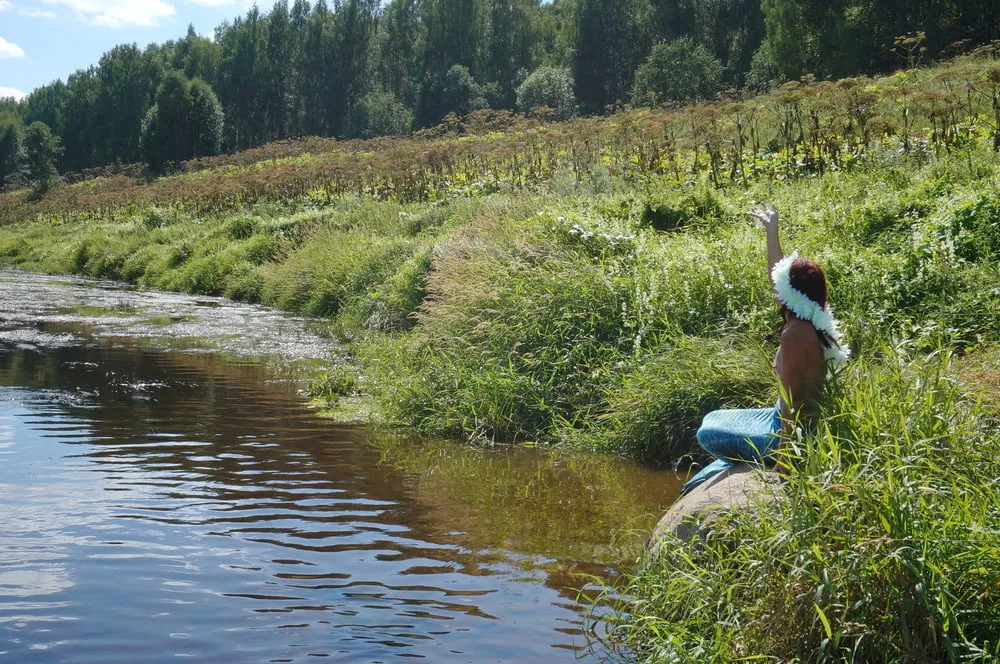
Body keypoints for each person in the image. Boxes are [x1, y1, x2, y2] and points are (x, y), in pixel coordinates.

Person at [680, 205, 849, 494]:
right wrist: (771, 230)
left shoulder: (796, 334)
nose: (775, 289)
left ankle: (763, 456)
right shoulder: (811, 314)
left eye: (781, 287)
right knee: (713, 418)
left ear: (789, 294)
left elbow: (792, 404)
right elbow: (778, 274)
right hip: (776, 412)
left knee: (707, 434)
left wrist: (784, 461)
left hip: (792, 431)